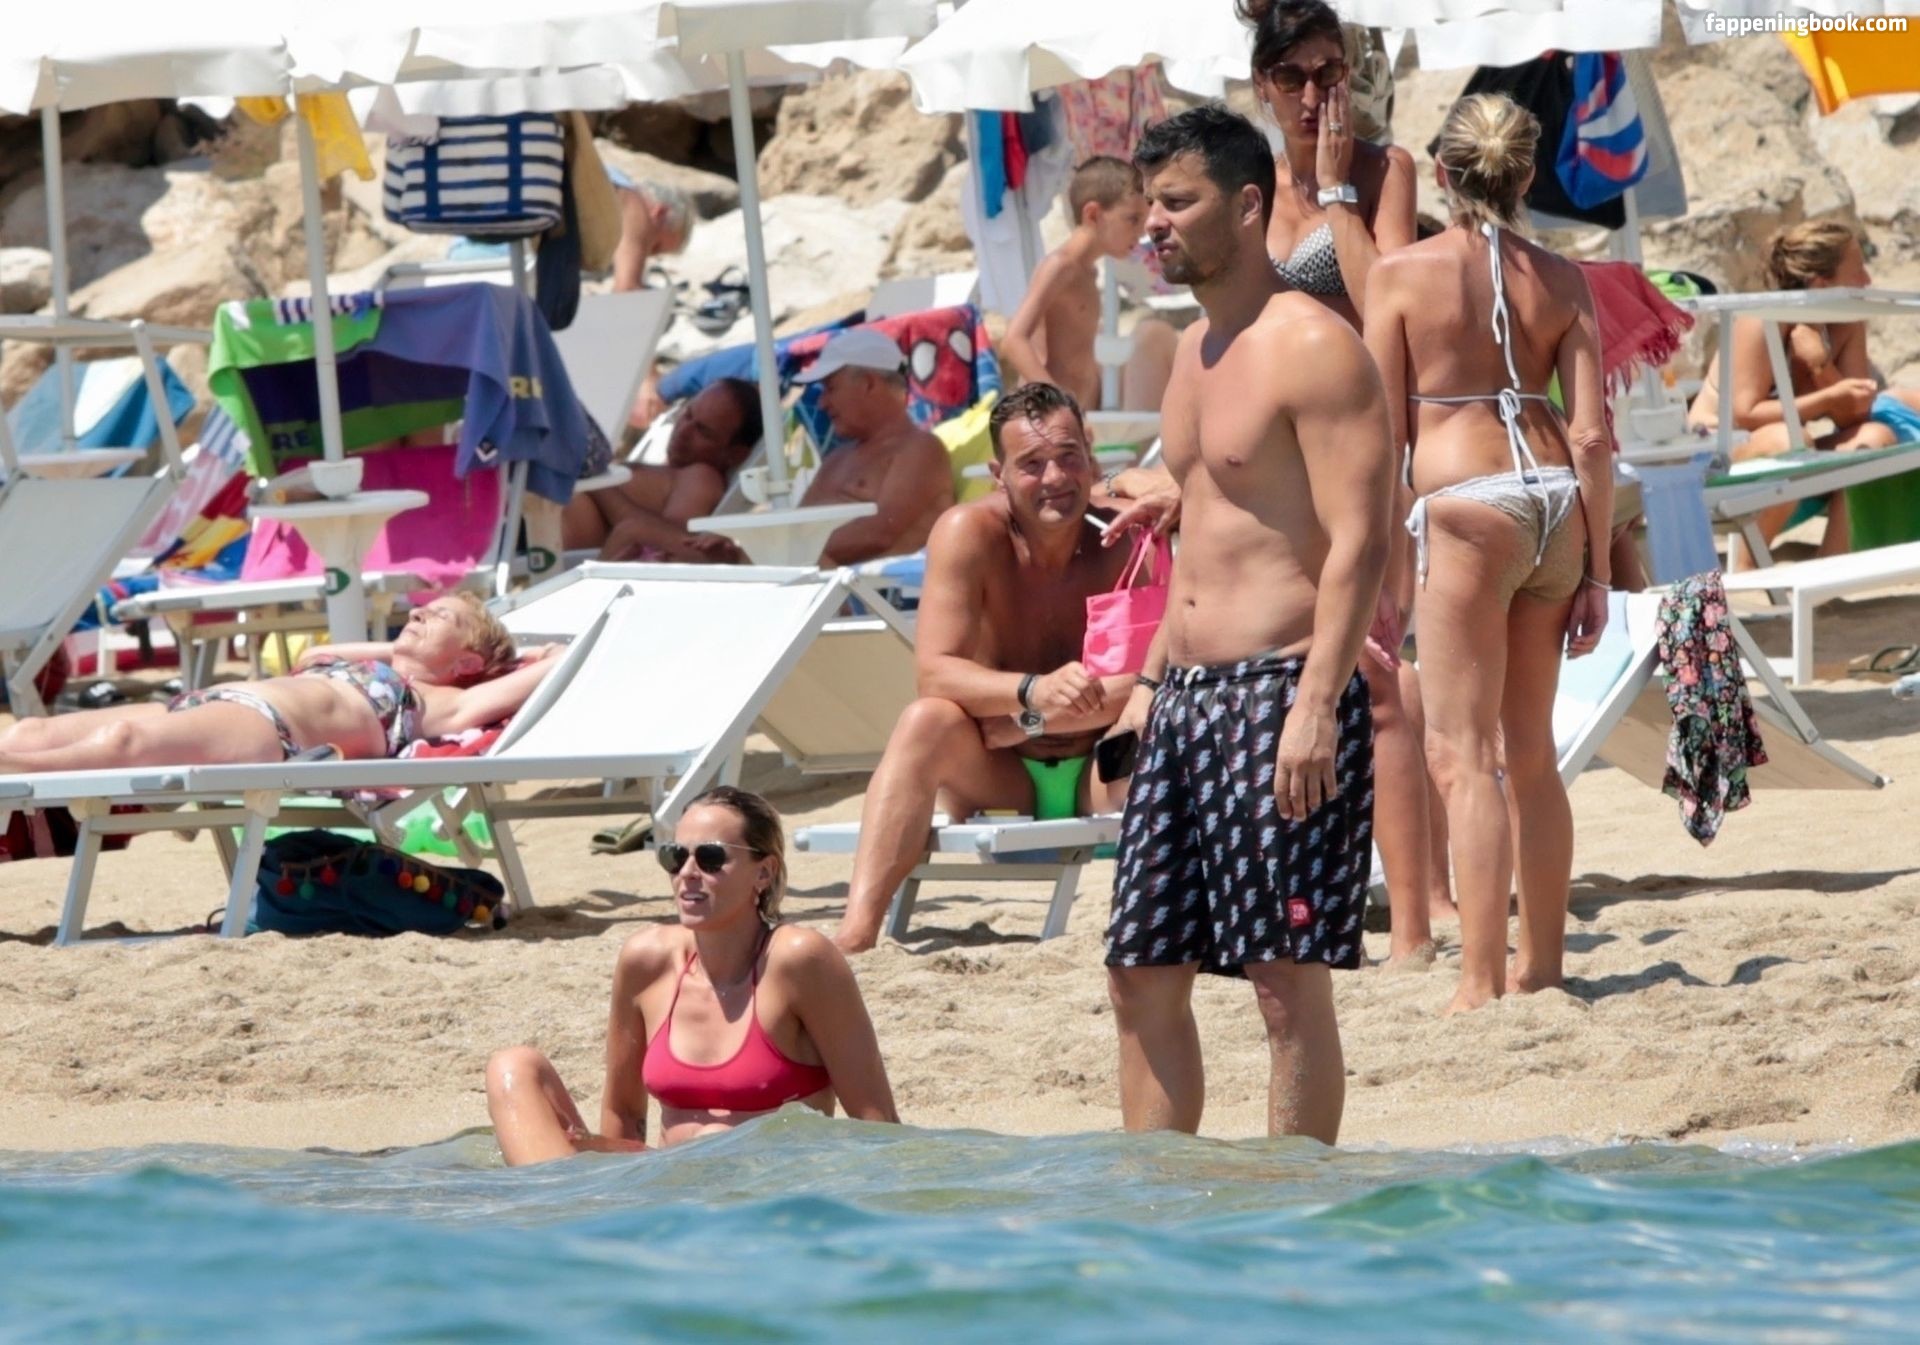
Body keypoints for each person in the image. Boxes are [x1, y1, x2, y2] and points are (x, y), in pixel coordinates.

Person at [1102, 106, 1395, 1146]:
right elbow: (1207, 532)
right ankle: (1157, 1194)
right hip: (1183, 699)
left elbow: (1362, 539)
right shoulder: (1193, 349)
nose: (1154, 224)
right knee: (1140, 969)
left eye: (1177, 202)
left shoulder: (1313, 346)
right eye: (1149, 204)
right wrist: (1145, 687)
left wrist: (1317, 704)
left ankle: (1297, 1203)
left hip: (1281, 690)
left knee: (1283, 979)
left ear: (1248, 204)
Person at [1362, 93, 1613, 1015]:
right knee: (1531, 755)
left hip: (1466, 506)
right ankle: (1541, 967)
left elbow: (1383, 442)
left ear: (1442, 173)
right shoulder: (1565, 278)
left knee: (1461, 753)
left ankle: (1478, 978)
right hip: (1553, 500)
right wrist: (1596, 566)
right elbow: (1592, 437)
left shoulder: (1400, 275)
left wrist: (1383, 573)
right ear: (1528, 173)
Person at [1242, 0, 1448, 964]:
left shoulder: (1382, 170)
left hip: (1365, 450)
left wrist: (1335, 194)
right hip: (1275, 461)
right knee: (1292, 665)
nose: (1316, 94)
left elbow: (1385, 303)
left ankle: (1417, 917)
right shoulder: (1244, 181)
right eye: (1294, 76)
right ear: (1263, 85)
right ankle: (1323, 897)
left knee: (1380, 676)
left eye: (1331, 72)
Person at [831, 382, 1146, 954]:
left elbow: (1165, 672)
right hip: (1000, 775)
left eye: (1069, 456)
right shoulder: (969, 533)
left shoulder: (1126, 536)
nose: (1054, 477)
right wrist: (1033, 691)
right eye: (1032, 464)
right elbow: (935, 673)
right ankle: (857, 933)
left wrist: (1030, 718)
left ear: (1091, 456)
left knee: (1174, 708)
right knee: (926, 719)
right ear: (998, 474)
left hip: (1105, 769)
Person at [487, 787, 897, 1163]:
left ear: (764, 872)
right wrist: (616, 1190)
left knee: (715, 1138)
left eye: (711, 858)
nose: (687, 872)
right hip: (667, 1187)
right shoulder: (647, 960)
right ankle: (553, 1204)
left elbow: (876, 1123)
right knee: (513, 1067)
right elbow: (624, 1114)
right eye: (675, 856)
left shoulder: (798, 960)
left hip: (769, 1189)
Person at [0, 595, 556, 773]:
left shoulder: (445, 703)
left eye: (440, 617)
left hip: (270, 731)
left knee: (125, 740)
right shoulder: (385, 668)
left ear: (467, 662)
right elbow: (315, 655)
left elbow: (559, 664)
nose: (418, 612)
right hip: (220, 702)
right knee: (31, 730)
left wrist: (531, 657)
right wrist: (404, 651)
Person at [1687, 220, 1920, 562]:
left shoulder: (1846, 325)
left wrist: (1821, 367)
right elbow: (1745, 415)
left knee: (1874, 436)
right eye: (1858, 270)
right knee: (1790, 440)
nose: (1868, 280)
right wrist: (1827, 398)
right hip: (1717, 457)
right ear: (1822, 283)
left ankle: (1830, 567)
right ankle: (1747, 563)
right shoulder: (1761, 321)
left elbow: (1855, 415)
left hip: (1789, 457)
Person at [713, 329, 956, 568]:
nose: (822, 403)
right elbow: (795, 527)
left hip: (869, 587)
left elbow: (878, 535)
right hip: (813, 576)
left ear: (868, 384)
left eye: (830, 388)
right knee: (704, 557)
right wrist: (738, 550)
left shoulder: (920, 450)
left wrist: (771, 555)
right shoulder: (836, 459)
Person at [1001, 157, 1177, 414]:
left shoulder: (1087, 272)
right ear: (1093, 214)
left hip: (1077, 412)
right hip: (1046, 414)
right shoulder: (1060, 267)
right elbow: (1014, 341)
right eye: (1132, 219)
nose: (1142, 232)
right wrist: (1058, 406)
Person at [560, 378, 763, 563]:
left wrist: (592, 473)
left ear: (736, 454)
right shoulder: (672, 472)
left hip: (557, 540)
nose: (683, 431)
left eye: (703, 431)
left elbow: (659, 538)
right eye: (687, 415)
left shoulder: (702, 477)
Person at [610, 174, 694, 294]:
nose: (643, 257)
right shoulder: (632, 202)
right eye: (654, 247)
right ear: (660, 214)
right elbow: (627, 290)